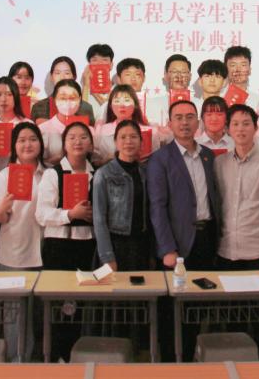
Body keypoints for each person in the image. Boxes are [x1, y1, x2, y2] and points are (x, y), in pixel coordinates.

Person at [148, 99, 219, 362]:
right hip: (177, 244)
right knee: (172, 309)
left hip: (206, 238)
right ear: (170, 123)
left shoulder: (208, 155)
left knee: (197, 306)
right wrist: (167, 248)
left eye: (190, 117)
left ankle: (190, 359)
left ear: (198, 122)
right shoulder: (160, 159)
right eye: (178, 117)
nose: (185, 122)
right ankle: (170, 363)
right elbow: (157, 207)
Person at [217, 103, 259, 360]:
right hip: (226, 253)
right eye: (235, 124)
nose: (241, 129)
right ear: (228, 129)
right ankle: (233, 366)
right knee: (231, 317)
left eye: (246, 123)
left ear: (255, 128)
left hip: (258, 253)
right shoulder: (220, 163)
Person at [35, 121, 96, 361]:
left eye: (83, 137)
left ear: (91, 144)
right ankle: (55, 358)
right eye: (72, 137)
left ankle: (78, 358)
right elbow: (42, 214)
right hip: (59, 246)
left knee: (82, 306)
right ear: (64, 144)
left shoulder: (97, 174)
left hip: (87, 246)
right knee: (58, 306)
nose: (78, 141)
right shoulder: (53, 174)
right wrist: (70, 214)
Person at [0, 121, 47, 362]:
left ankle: (40, 361)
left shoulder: (49, 174)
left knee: (40, 312)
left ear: (40, 144)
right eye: (22, 140)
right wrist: (2, 207)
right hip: (14, 251)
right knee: (14, 314)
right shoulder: (5, 175)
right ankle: (17, 362)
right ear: (14, 145)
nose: (28, 145)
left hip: (44, 250)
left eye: (33, 139)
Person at [93, 119, 151, 270]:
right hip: (115, 245)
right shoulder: (104, 174)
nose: (128, 141)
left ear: (141, 142)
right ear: (116, 142)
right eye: (123, 137)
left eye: (133, 136)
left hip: (141, 245)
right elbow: (99, 219)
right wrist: (107, 256)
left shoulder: (146, 172)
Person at [93, 84, 160, 166]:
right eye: (117, 101)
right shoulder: (102, 131)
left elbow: (157, 161)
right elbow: (95, 161)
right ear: (110, 106)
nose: (122, 105)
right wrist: (106, 160)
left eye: (127, 100)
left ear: (135, 105)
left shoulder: (150, 132)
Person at [0, 76, 30, 171]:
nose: (3, 99)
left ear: (16, 97)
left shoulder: (27, 125)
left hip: (16, 174)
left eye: (9, 94)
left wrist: (16, 153)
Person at [31, 57, 96, 124]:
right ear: (51, 77)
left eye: (67, 73)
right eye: (57, 73)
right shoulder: (39, 107)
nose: (62, 77)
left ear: (74, 77)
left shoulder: (85, 108)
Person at [37, 79, 89, 165]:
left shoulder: (88, 129)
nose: (68, 102)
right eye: (63, 98)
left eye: (72, 98)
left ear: (80, 99)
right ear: (54, 100)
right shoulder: (43, 129)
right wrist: (56, 160)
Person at [81, 43, 115, 113]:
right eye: (95, 60)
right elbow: (82, 113)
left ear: (111, 65)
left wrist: (94, 92)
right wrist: (86, 86)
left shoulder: (118, 89)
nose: (99, 63)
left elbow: (111, 112)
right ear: (89, 65)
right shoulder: (82, 90)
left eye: (104, 60)